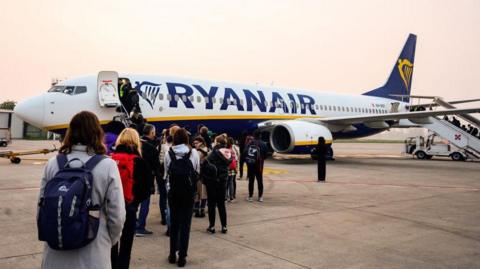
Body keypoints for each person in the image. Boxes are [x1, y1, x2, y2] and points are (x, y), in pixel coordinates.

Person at [38, 111, 126, 269]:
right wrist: (107, 240)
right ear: (97, 133)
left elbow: (41, 210)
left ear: (69, 133)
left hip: (55, 254)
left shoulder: (53, 164)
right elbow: (117, 214)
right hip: (93, 253)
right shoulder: (107, 165)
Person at [111, 128, 153, 269]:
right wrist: (134, 202)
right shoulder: (140, 162)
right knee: (125, 248)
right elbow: (147, 190)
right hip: (129, 209)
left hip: (110, 209)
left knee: (111, 246)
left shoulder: (110, 159)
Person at [164, 128, 200, 267]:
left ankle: (172, 254)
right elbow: (197, 171)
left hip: (174, 193)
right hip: (188, 193)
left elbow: (167, 173)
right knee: (186, 226)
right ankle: (182, 257)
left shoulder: (169, 153)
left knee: (174, 224)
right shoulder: (194, 152)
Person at [136, 124, 161, 236]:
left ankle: (133, 224)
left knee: (135, 202)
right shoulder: (152, 148)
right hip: (147, 178)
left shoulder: (137, 144)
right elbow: (156, 166)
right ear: (151, 133)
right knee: (145, 202)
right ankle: (140, 227)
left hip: (134, 177)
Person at [206, 136, 232, 234]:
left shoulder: (215, 152)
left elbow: (206, 161)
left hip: (213, 181)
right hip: (223, 181)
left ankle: (212, 226)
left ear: (217, 142)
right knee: (221, 205)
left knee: (212, 205)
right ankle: (224, 226)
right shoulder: (228, 152)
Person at [245, 130, 268, 202]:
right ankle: (260, 197)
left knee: (251, 181)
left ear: (254, 135)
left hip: (251, 164)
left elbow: (245, 152)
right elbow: (266, 155)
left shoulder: (250, 143)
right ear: (260, 135)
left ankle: (250, 196)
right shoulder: (263, 144)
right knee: (260, 181)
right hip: (259, 165)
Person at [192, 136, 209, 217]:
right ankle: (201, 210)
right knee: (203, 193)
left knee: (199, 193)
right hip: (205, 175)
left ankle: (198, 210)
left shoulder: (199, 151)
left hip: (200, 175)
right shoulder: (207, 149)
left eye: (196, 143)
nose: (195, 145)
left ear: (201, 142)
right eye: (194, 143)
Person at [226, 137, 240, 201]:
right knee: (231, 182)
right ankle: (231, 196)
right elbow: (237, 158)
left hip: (227, 168)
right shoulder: (234, 149)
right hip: (233, 167)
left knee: (226, 183)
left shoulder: (226, 150)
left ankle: (226, 197)